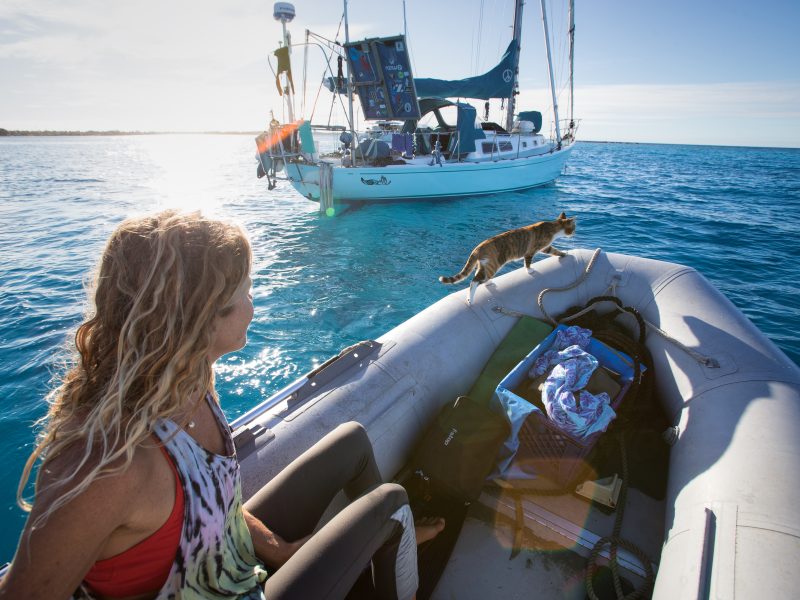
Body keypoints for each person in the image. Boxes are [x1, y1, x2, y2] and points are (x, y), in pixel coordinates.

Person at [0, 210, 443, 600]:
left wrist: (282, 551)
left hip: (230, 569)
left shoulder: (190, 382)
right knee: (391, 503)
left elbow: (215, 501)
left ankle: (380, 550)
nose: (254, 306)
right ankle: (398, 557)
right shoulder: (108, 464)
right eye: (244, 294)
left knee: (352, 442)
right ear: (195, 319)